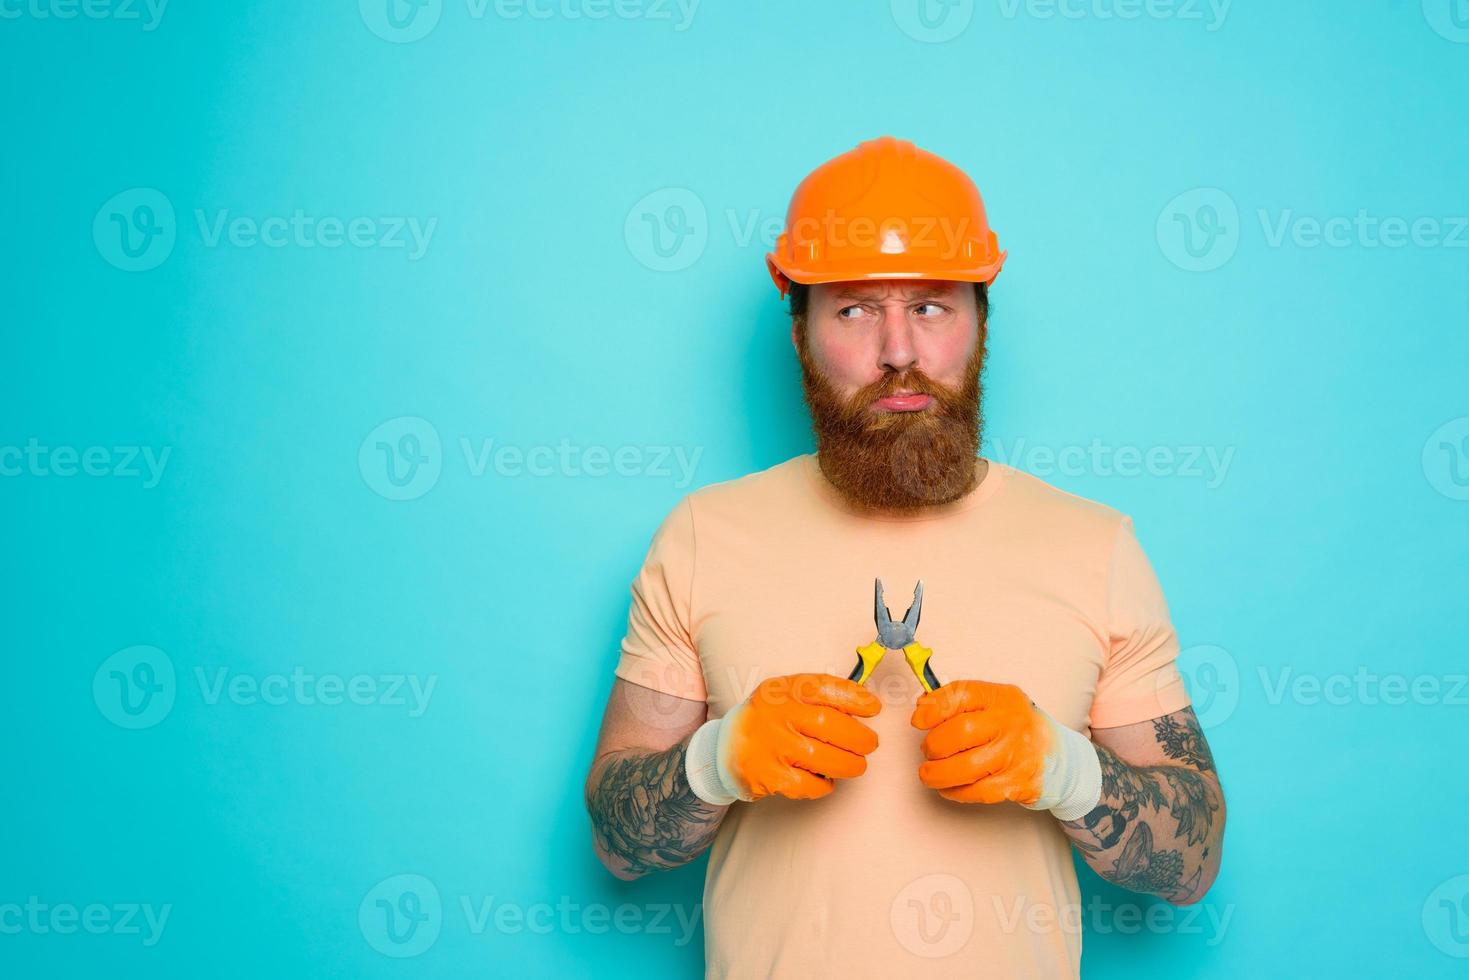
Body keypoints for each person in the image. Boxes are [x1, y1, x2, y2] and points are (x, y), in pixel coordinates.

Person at [583, 135, 1226, 978]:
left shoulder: (1093, 545)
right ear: (801, 331)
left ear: (979, 321)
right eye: (853, 309)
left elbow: (1193, 865)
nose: (898, 351)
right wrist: (716, 760)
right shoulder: (705, 534)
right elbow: (617, 849)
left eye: (930, 306)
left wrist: (1065, 770)